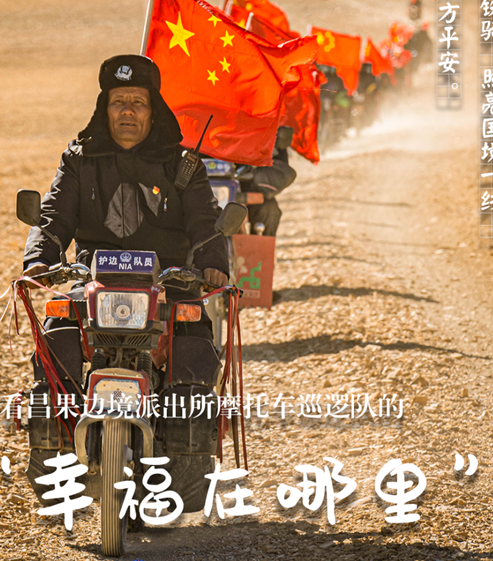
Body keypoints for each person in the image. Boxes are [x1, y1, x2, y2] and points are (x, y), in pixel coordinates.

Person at [22, 54, 229, 502]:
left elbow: (205, 221)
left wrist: (213, 261)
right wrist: (40, 257)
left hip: (170, 282)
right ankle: (53, 444)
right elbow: (54, 215)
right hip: (92, 279)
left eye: (138, 101)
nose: (128, 111)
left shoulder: (183, 165)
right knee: (57, 329)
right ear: (105, 107)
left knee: (194, 337)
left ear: (154, 111)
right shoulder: (80, 160)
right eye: (119, 101)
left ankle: (189, 460)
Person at [234, 126, 297, 236]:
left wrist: (255, 174)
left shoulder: (265, 127)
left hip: (249, 188)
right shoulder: (208, 125)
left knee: (269, 209)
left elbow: (280, 172)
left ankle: (259, 244)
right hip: (208, 186)